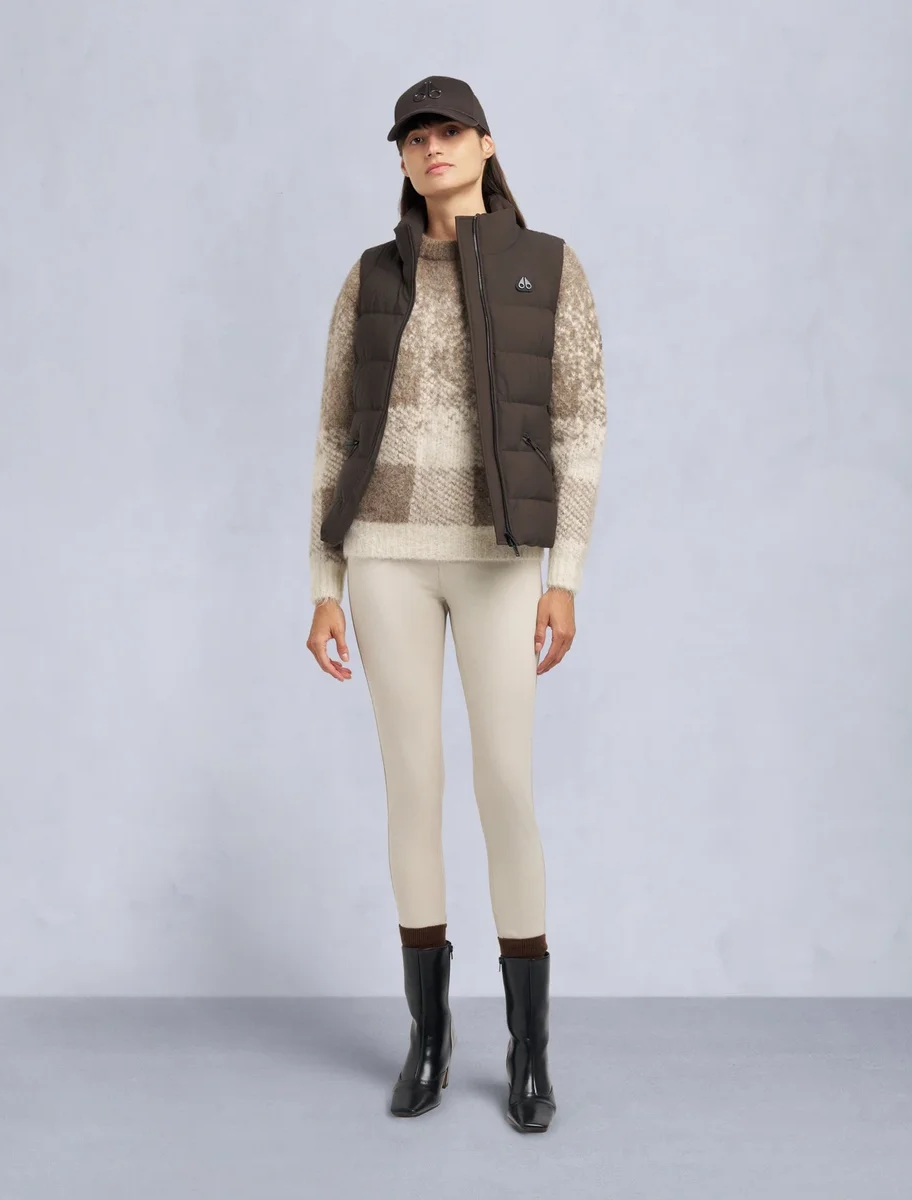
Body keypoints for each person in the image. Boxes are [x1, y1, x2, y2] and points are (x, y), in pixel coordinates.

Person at [306, 75, 607, 1132]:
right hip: (383, 557)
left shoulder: (548, 267)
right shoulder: (369, 277)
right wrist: (323, 583)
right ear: (400, 160)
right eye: (413, 138)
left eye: (448, 133)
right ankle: (428, 1040)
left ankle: (529, 1052)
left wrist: (564, 576)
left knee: (505, 786)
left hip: (498, 560)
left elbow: (579, 427)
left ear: (484, 144)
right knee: (413, 791)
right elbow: (333, 434)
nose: (432, 149)